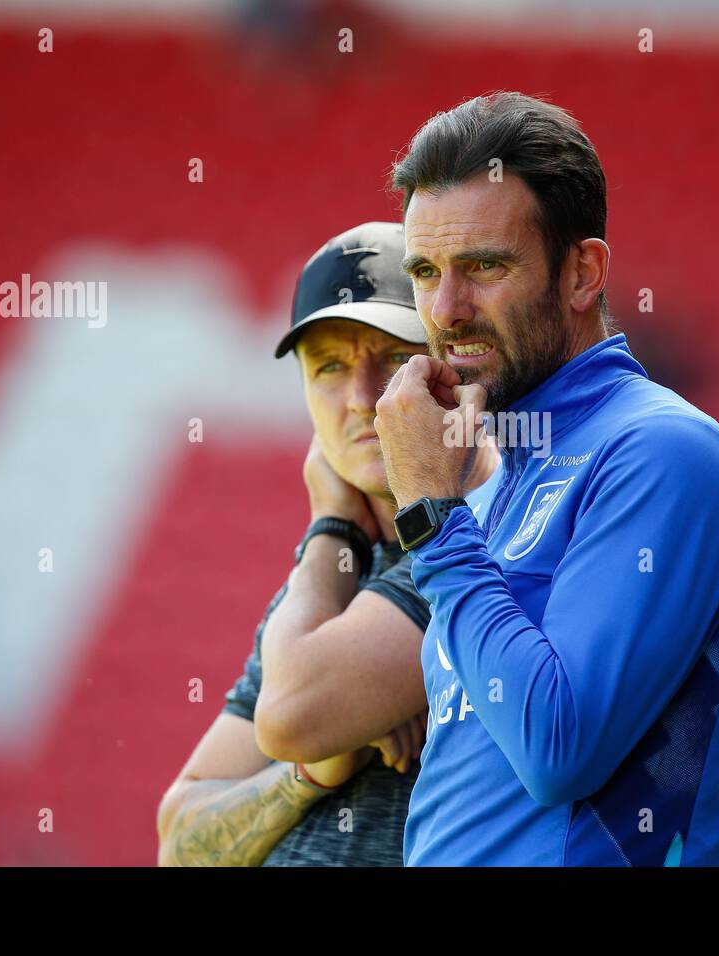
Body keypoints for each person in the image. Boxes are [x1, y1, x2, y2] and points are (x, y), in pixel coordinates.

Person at [374, 92, 719, 866]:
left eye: (485, 266)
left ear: (583, 272)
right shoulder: (492, 477)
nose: (446, 309)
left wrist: (428, 511)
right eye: (425, 271)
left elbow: (558, 749)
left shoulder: (663, 454)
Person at [157, 221, 494, 866]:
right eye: (330, 368)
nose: (361, 400)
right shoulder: (333, 577)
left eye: (394, 358)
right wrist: (310, 772)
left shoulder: (486, 537)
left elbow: (290, 711)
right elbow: (179, 845)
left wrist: (331, 524)